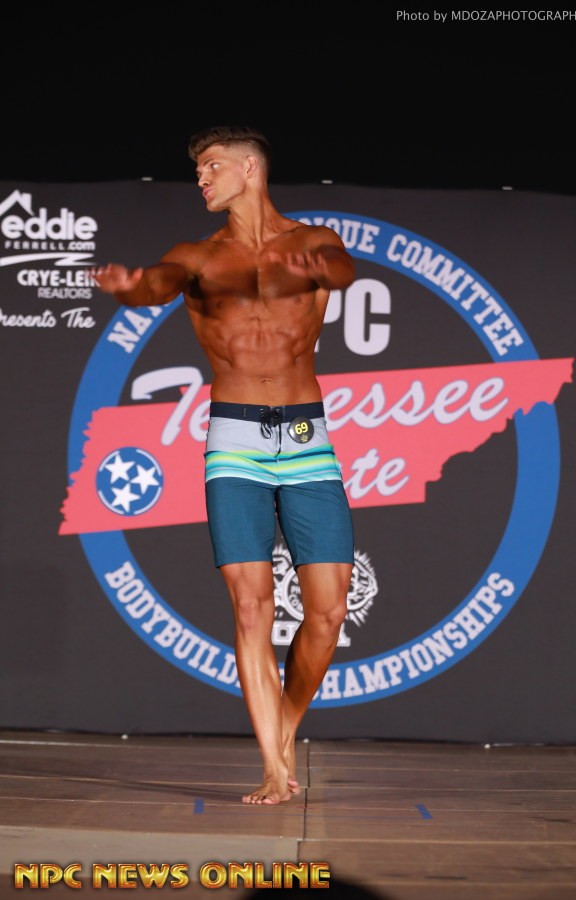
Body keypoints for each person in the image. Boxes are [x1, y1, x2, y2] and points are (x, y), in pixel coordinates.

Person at [93, 125, 356, 805]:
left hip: (307, 438)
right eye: (199, 172)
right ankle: (272, 765)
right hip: (235, 441)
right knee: (250, 605)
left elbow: (342, 272)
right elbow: (156, 286)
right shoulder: (196, 257)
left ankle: (285, 723)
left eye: (211, 167)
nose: (202, 179)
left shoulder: (314, 241)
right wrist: (130, 286)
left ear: (250, 168)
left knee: (328, 612)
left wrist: (318, 268)